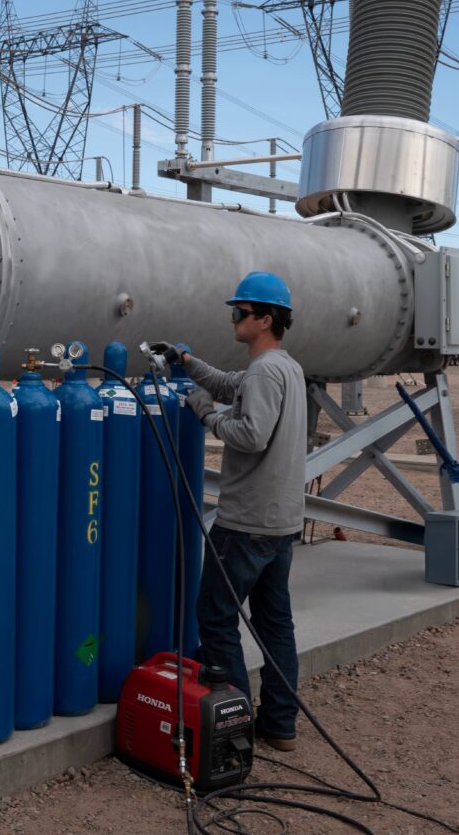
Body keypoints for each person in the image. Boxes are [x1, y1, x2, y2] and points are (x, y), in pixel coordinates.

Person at [154, 271, 306, 751]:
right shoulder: (286, 368)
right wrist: (186, 362)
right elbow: (227, 383)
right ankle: (279, 725)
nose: (234, 317)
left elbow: (250, 433)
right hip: (280, 522)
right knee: (274, 623)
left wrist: (204, 413)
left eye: (240, 312)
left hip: (246, 523)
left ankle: (232, 725)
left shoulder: (265, 372)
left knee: (216, 616)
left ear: (264, 319)